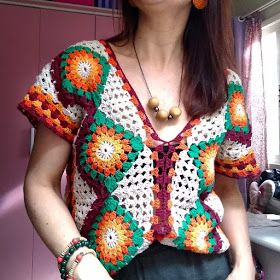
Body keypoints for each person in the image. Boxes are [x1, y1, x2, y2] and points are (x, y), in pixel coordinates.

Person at [18, 0, 261, 279]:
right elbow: (40, 183)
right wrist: (80, 262)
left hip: (210, 269)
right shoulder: (82, 68)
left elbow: (228, 191)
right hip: (106, 271)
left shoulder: (225, 87)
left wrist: (244, 264)